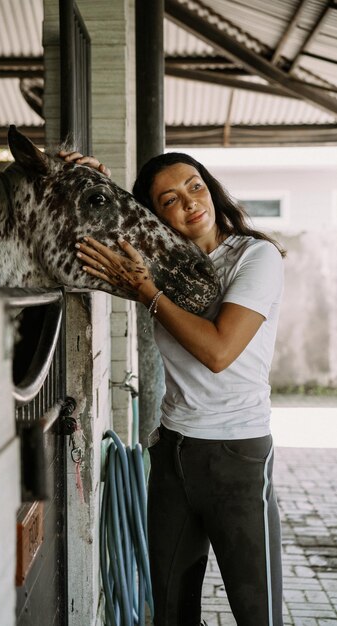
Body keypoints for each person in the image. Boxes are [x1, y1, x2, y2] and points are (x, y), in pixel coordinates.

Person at [60, 149, 285, 626]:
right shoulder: (160, 262)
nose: (189, 203)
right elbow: (94, 222)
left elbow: (220, 352)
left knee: (255, 613)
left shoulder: (254, 257)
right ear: (155, 213)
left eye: (195, 187)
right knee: (169, 612)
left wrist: (148, 294)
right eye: (169, 199)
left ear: (210, 188)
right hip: (173, 454)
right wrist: (86, 177)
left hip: (237, 456)